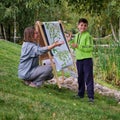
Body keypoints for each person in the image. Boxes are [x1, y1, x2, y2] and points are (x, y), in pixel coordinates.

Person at [67, 18, 94, 103]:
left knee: (88, 78)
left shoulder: (88, 36)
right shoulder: (77, 35)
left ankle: (91, 97)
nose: (83, 27)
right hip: (79, 59)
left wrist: (78, 46)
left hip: (87, 59)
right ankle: (80, 94)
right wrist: (70, 40)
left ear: (87, 27)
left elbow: (90, 48)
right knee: (80, 77)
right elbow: (74, 46)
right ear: (78, 26)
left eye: (85, 25)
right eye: (81, 25)